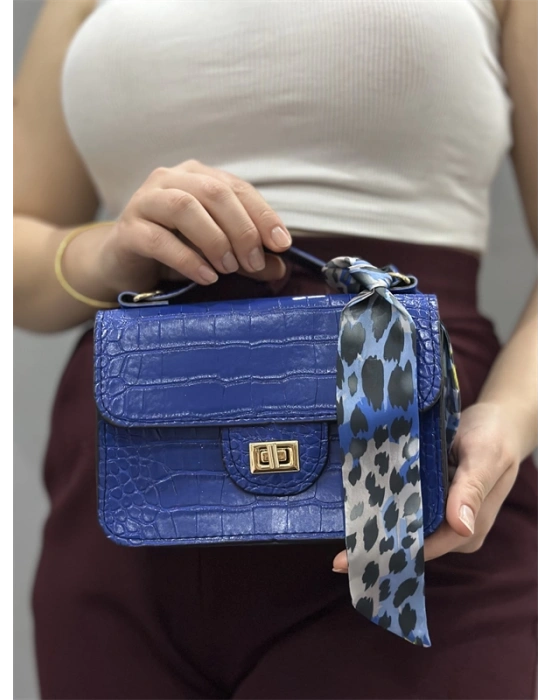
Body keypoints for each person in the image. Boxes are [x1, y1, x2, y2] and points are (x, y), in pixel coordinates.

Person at [12, 1, 538, 698]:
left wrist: (512, 416)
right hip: (132, 499)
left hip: (406, 477)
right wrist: (105, 254)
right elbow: (20, 239)